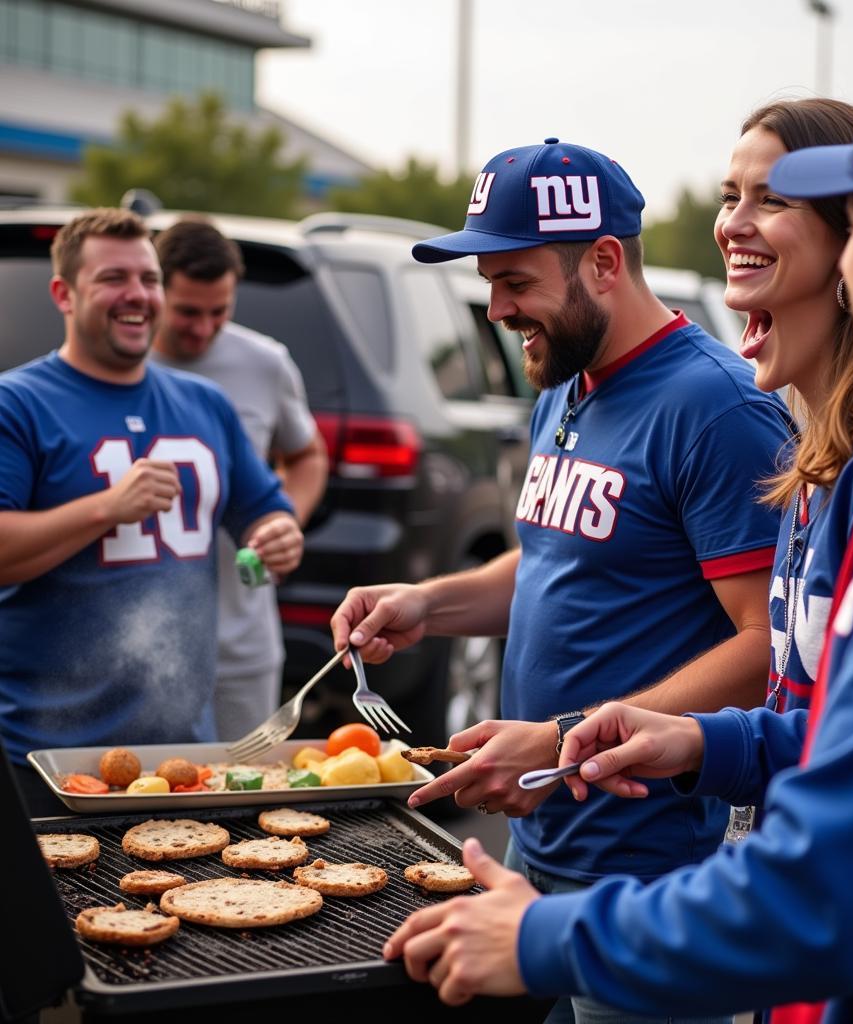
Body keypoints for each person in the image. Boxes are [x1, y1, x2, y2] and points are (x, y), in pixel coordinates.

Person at [382, 56, 853, 1023]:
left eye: (821, 217)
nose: (734, 231)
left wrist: (545, 937)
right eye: (732, 198)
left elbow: (834, 888)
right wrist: (698, 741)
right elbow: (849, 736)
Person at [333, 138, 792, 1024]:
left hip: (645, 867)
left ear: (605, 263)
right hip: (537, 836)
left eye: (516, 283)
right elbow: (552, 557)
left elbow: (765, 642)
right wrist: (428, 603)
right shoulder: (565, 384)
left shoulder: (717, 407)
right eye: (489, 283)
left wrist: (557, 738)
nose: (497, 309)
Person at [0, 208, 303, 815]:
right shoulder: (18, 402)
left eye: (149, 278)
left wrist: (279, 534)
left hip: (182, 753)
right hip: (46, 755)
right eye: (114, 278)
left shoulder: (205, 403)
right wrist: (107, 507)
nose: (137, 294)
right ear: (65, 292)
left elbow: (264, 508)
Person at [713, 99, 853, 845]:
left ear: (851, 248)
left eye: (773, 200)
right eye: (731, 197)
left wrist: (703, 745)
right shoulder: (814, 461)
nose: (733, 222)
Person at [152, 218, 328, 741]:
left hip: (241, 637)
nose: (203, 329)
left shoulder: (264, 362)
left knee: (243, 795)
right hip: (140, 642)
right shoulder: (118, 363)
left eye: (219, 312)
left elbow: (306, 455)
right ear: (153, 290)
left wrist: (283, 521)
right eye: (187, 311)